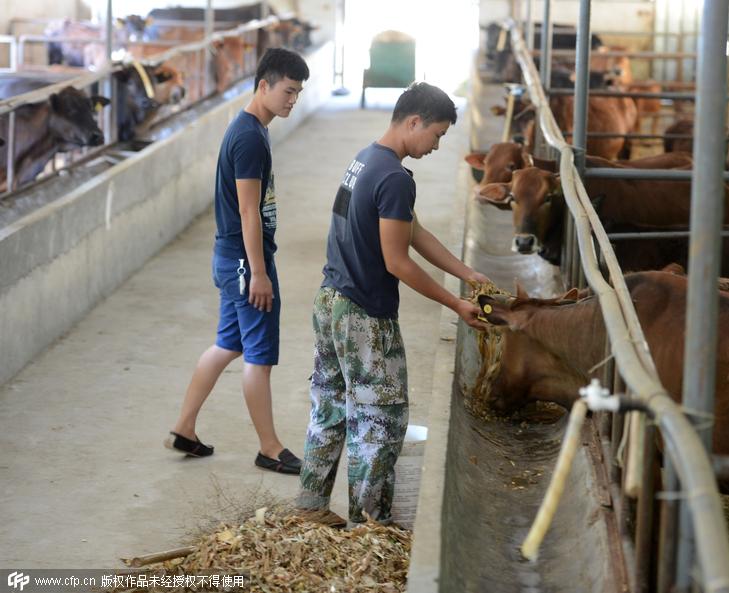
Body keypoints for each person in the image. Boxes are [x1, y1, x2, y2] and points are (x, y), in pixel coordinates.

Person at [296, 82, 490, 525]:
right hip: (364, 312)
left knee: (330, 406)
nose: (437, 146)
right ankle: (369, 525)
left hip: (330, 302)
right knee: (381, 419)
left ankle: (309, 507)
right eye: (436, 135)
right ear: (414, 122)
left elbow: (414, 232)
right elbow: (398, 261)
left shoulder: (365, 159)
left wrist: (467, 274)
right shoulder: (395, 178)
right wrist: (455, 303)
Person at [165, 48, 309, 475]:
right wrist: (259, 273)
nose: (292, 100)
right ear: (263, 85)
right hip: (246, 263)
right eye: (287, 90)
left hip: (230, 259)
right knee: (258, 355)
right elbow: (249, 211)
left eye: (298, 93)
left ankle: (183, 428)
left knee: (227, 344)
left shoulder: (252, 129)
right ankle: (269, 447)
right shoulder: (248, 137)